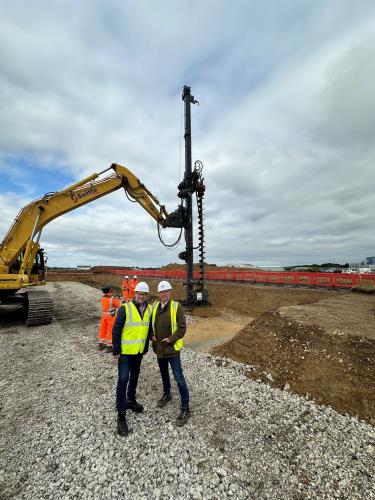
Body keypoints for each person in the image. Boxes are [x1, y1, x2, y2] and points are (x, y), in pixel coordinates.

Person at [112, 281, 152, 436]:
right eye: (139, 293)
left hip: (139, 352)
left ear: (146, 295)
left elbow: (147, 328)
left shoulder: (148, 309)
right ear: (135, 294)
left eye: (144, 294)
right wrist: (116, 350)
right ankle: (121, 415)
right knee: (123, 379)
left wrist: (147, 346)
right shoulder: (125, 308)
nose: (141, 296)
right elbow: (116, 329)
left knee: (135, 377)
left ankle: (131, 400)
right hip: (125, 353)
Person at [150, 280, 190, 427]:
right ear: (159, 293)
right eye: (161, 292)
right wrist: (151, 335)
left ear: (170, 292)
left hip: (172, 349)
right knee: (164, 374)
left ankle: (185, 408)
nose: (164, 294)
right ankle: (167, 394)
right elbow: (150, 325)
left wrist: (171, 339)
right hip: (159, 349)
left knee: (178, 377)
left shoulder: (176, 307)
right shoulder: (154, 307)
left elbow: (182, 328)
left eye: (166, 291)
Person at [98, 284, 121, 352]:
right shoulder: (113, 299)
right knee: (110, 331)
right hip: (111, 316)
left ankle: (101, 344)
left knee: (103, 329)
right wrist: (116, 298)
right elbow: (119, 306)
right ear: (110, 291)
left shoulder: (103, 298)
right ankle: (109, 346)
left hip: (104, 316)